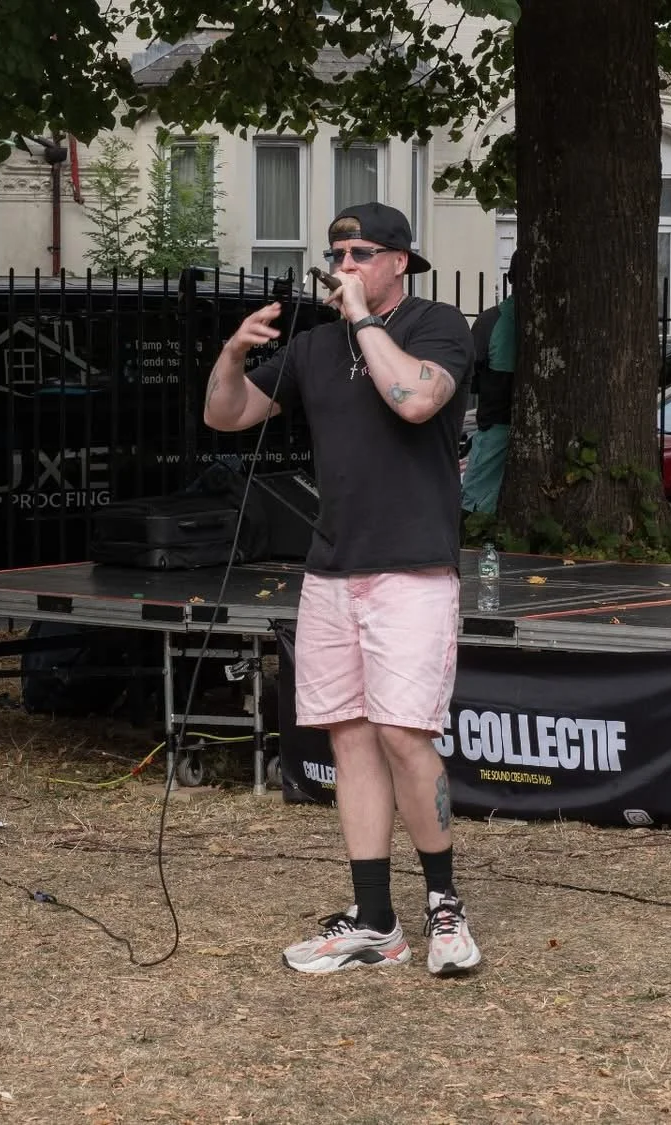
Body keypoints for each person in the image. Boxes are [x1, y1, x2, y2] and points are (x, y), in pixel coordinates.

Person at [203, 202, 481, 977]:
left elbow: (415, 399)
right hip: (331, 570)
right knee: (350, 735)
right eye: (336, 255)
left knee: (403, 733)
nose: (343, 266)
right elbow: (227, 415)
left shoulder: (437, 326)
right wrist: (232, 354)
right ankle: (376, 920)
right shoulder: (314, 347)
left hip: (412, 567)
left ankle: (444, 903)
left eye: (360, 253)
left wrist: (363, 319)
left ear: (400, 261)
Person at [461, 250, 520, 516]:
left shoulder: (490, 321)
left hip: (495, 424)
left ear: (510, 278)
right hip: (502, 424)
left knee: (474, 507)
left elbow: (470, 380)